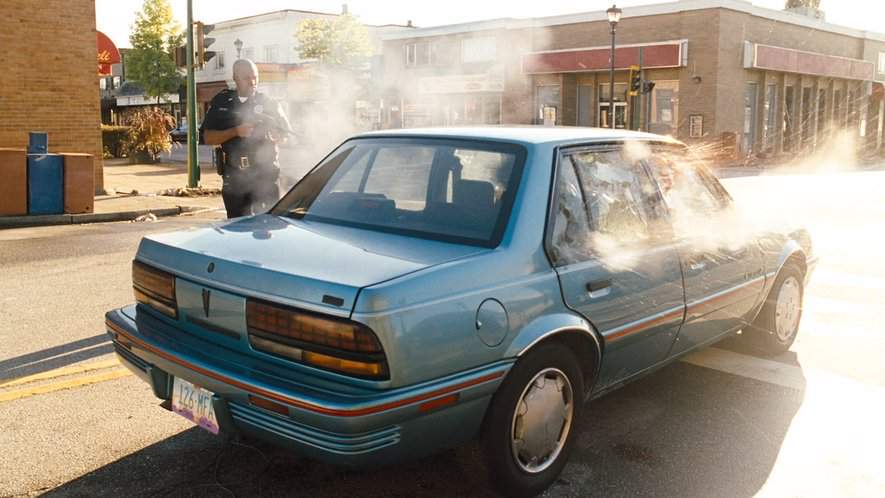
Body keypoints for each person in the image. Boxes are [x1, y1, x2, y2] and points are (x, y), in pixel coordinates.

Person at [200, 59, 292, 218]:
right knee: (237, 228)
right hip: (235, 178)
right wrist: (235, 131)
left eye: (255, 77)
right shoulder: (222, 102)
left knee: (267, 225)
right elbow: (207, 137)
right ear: (235, 78)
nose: (252, 82)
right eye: (246, 77)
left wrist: (279, 136)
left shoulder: (270, 103)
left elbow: (287, 136)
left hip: (265, 178)